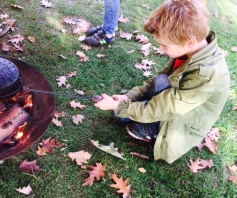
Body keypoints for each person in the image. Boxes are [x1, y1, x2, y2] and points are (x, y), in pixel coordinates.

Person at [94, 0, 230, 164]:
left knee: (134, 127)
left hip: (184, 120)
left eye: (164, 45)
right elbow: (162, 79)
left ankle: (156, 131)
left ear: (189, 42)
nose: (160, 50)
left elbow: (168, 107)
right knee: (160, 81)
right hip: (175, 101)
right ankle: (143, 114)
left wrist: (119, 107)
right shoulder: (190, 50)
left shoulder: (207, 74)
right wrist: (128, 97)